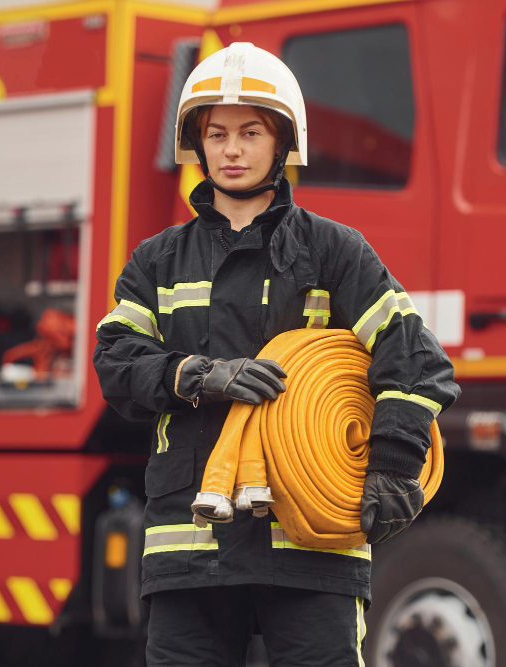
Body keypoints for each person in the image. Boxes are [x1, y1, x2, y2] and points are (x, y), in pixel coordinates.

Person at [93, 43, 460, 666]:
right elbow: (115, 361)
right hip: (192, 546)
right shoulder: (157, 261)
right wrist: (197, 375)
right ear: (197, 143)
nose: (231, 149)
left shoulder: (334, 251)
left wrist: (394, 464)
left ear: (284, 140)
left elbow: (415, 357)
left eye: (250, 131)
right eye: (216, 133)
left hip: (310, 545)